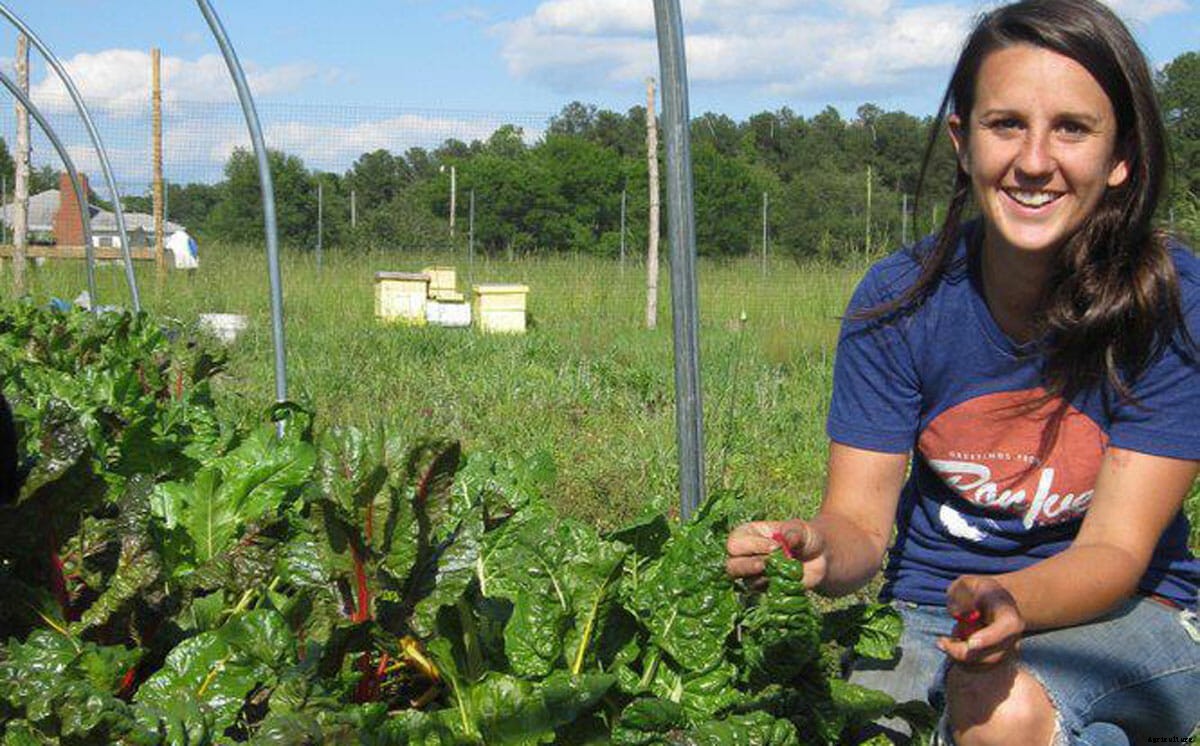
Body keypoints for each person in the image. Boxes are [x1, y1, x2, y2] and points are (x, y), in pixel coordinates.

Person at [725, 1, 1199, 744]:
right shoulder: (899, 300)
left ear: (1120, 156)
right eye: (1005, 123)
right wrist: (813, 549)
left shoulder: (1168, 304)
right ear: (962, 140)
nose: (1035, 160)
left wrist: (1006, 596)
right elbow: (858, 526)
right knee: (869, 730)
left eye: (1071, 128)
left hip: (1132, 612)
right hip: (930, 609)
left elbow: (1115, 552)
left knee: (997, 711)